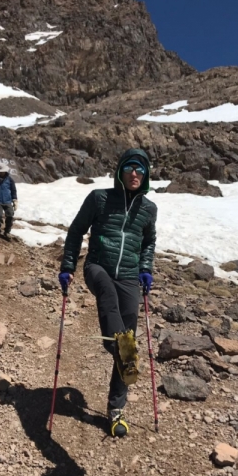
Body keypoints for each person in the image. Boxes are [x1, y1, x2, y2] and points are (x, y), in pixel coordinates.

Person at [58, 148, 157, 438]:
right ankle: (121, 351)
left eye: (140, 169)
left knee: (128, 339)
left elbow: (148, 241)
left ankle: (116, 411)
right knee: (108, 298)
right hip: (97, 267)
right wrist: (67, 266)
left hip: (128, 276)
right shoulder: (99, 199)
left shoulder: (149, 209)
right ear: (120, 171)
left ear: (147, 174)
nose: (135, 173)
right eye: (129, 168)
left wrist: (145, 268)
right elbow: (76, 231)